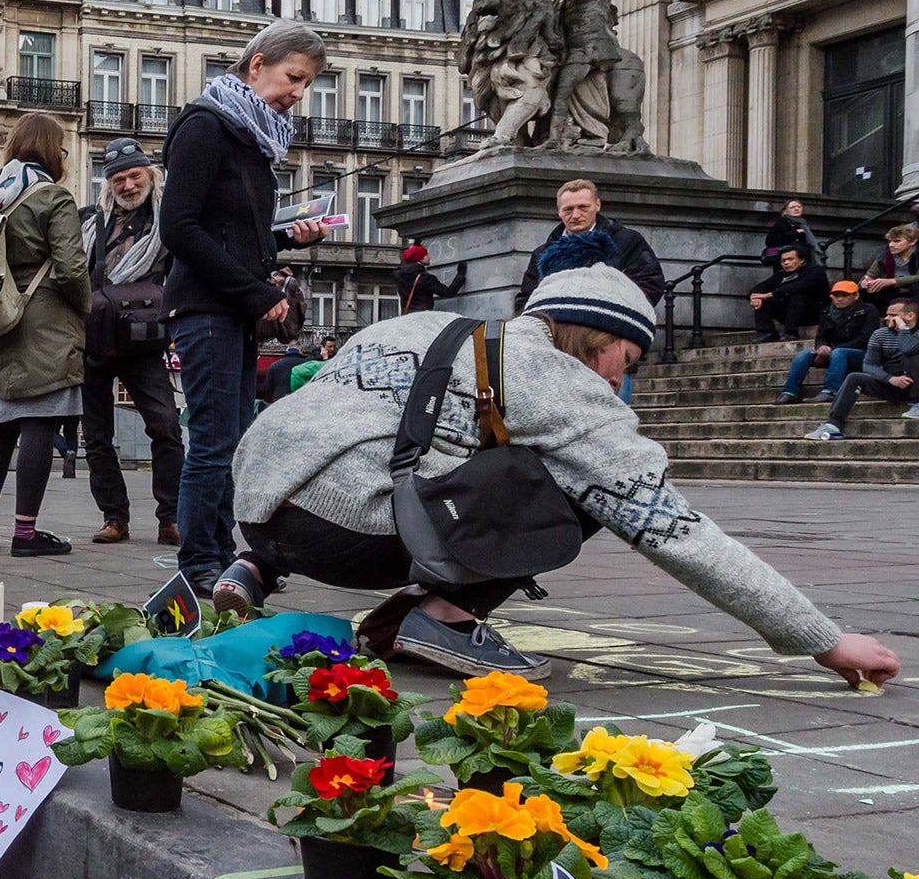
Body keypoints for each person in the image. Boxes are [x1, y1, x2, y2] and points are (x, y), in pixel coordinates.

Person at [220, 265, 899, 690]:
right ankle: (446, 619)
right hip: (347, 531)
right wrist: (823, 639)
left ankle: (253, 574)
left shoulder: (427, 323)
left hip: (256, 506)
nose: (618, 377)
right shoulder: (557, 380)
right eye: (623, 357)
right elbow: (673, 529)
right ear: (594, 336)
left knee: (429, 450)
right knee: (598, 490)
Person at [161, 20, 332, 594]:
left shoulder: (253, 140)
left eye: (307, 83)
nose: (298, 93)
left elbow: (231, 230)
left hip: (230, 309)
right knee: (212, 440)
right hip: (204, 307)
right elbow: (179, 228)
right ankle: (198, 562)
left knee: (232, 440)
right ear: (256, 64)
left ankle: (219, 553)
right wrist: (259, 291)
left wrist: (287, 240)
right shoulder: (206, 127)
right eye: (293, 78)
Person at [0, 111, 91, 557]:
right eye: (61, 147)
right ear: (50, 148)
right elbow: (73, 268)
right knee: (40, 423)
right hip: (47, 322)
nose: (63, 155)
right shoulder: (53, 198)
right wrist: (85, 307)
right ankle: (24, 534)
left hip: (0, 317)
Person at [75, 136, 183, 547]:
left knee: (167, 427)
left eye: (135, 175)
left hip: (144, 342)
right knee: (97, 436)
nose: (127, 185)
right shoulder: (91, 221)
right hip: (94, 341)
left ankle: (170, 517)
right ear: (108, 183)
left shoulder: (169, 222)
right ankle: (114, 517)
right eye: (118, 178)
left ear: (149, 175)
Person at [514, 179, 666, 310]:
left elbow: (650, 284)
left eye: (583, 207)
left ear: (597, 205)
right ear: (559, 212)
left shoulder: (627, 241)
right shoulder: (541, 253)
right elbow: (526, 300)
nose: (575, 215)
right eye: (568, 209)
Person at [809, 298, 919, 440]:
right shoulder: (880, 334)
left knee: (911, 356)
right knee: (854, 377)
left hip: (915, 382)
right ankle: (833, 425)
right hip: (894, 384)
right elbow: (868, 365)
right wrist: (890, 379)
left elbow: (908, 347)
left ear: (910, 315)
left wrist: (903, 329)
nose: (887, 318)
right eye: (887, 314)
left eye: (893, 315)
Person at [777, 281, 877, 404]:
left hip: (860, 353)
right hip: (833, 352)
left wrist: (831, 350)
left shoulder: (868, 310)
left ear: (855, 296)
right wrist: (821, 347)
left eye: (845, 295)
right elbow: (821, 336)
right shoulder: (827, 312)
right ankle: (789, 392)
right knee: (803, 355)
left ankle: (830, 391)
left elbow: (866, 338)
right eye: (836, 295)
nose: (840, 299)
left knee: (839, 353)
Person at [749, 246, 830, 342]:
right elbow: (759, 287)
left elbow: (800, 286)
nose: (786, 263)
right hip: (787, 314)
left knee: (796, 295)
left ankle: (791, 333)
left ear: (802, 260)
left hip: (813, 312)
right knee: (762, 300)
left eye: (790, 259)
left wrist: (770, 294)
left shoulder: (816, 271)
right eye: (783, 261)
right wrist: (754, 297)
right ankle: (767, 332)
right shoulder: (780, 275)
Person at [860, 221, 919, 312]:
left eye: (897, 241)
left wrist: (892, 281)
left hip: (913, 292)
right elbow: (869, 276)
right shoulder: (884, 256)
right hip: (893, 293)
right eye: (890, 241)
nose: (891, 245)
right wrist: (866, 283)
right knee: (864, 293)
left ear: (913, 241)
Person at [394, 242, 466, 316]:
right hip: (423, 317)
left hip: (407, 316)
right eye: (426, 255)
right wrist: (460, 275)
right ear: (421, 259)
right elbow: (448, 293)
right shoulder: (426, 279)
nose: (429, 257)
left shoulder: (399, 276)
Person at [761, 198, 819, 266]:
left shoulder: (802, 224)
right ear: (785, 211)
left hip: (802, 261)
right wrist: (795, 233)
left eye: (799, 207)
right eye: (792, 207)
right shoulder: (782, 222)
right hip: (787, 262)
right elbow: (771, 241)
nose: (797, 209)